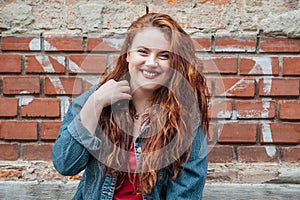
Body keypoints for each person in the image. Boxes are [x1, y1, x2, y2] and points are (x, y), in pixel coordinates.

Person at [52, 12, 209, 200]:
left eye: (164, 55)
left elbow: (185, 194)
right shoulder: (94, 100)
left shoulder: (186, 117)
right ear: (128, 55)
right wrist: (96, 103)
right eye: (143, 51)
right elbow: (65, 164)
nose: (151, 63)